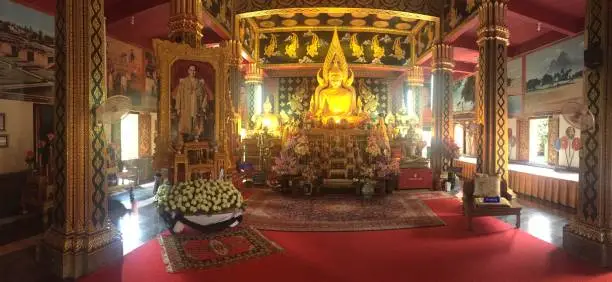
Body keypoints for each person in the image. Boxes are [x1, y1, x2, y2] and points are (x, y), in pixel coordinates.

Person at [174, 65, 208, 138]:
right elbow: (179, 95)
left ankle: (195, 137)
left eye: (194, 70)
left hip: (196, 106)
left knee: (196, 122)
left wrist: (203, 106)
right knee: (185, 123)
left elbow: (204, 95)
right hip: (186, 106)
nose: (192, 72)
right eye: (191, 70)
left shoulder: (199, 83)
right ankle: (186, 138)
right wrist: (178, 108)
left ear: (195, 72)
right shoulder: (183, 82)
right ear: (188, 71)